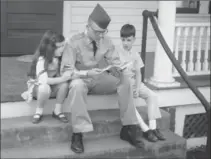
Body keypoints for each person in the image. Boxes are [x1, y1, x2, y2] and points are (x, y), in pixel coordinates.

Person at [60, 4, 145, 153]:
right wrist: (86, 73)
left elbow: (115, 60)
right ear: (88, 26)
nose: (101, 35)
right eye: (98, 32)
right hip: (80, 78)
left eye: (103, 32)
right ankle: (78, 133)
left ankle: (128, 128)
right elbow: (67, 71)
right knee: (76, 86)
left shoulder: (106, 40)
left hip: (99, 77)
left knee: (125, 79)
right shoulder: (73, 41)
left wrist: (118, 67)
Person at [116, 24, 166, 142]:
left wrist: (138, 88)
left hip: (134, 82)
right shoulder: (117, 52)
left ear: (134, 40)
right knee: (130, 105)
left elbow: (138, 74)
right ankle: (145, 130)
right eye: (123, 40)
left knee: (152, 96)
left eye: (128, 40)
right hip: (123, 84)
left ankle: (153, 128)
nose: (125, 43)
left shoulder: (135, 54)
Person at [22, 30, 71, 124]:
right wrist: (63, 78)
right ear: (50, 48)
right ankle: (38, 111)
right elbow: (44, 80)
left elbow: (69, 41)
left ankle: (57, 110)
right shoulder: (42, 59)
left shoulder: (59, 55)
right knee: (45, 87)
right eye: (59, 47)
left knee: (64, 85)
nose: (62, 49)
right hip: (39, 86)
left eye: (63, 46)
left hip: (54, 83)